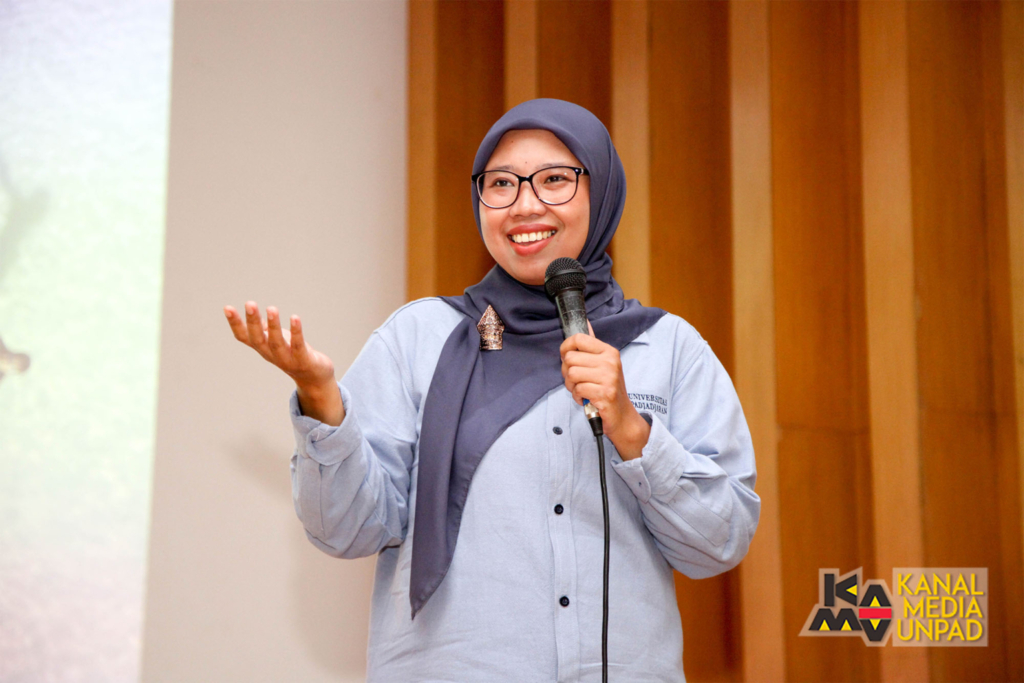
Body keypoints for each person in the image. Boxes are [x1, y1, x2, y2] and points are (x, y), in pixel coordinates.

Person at [224, 99, 760, 682]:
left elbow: (719, 543)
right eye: (501, 183)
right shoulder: (419, 339)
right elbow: (346, 530)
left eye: (554, 179)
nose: (525, 204)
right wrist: (320, 399)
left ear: (602, 190)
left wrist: (632, 430)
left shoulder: (668, 347)